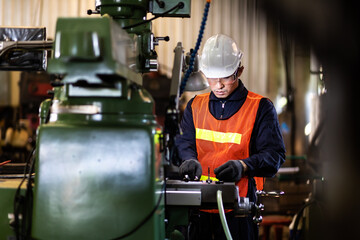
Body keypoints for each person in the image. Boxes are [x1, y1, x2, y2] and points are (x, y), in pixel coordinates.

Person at [175, 34, 286, 240]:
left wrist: (243, 166)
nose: (218, 85)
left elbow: (274, 156)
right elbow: (184, 142)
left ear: (239, 71)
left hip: (238, 212)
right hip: (198, 209)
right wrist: (188, 159)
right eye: (212, 77)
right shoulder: (195, 106)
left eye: (226, 77)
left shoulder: (260, 107)